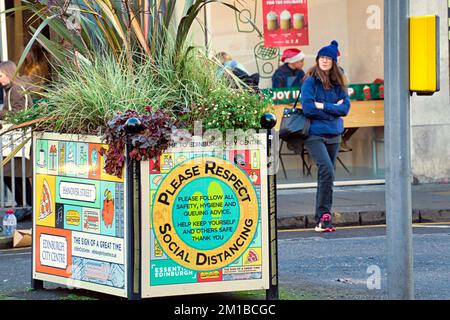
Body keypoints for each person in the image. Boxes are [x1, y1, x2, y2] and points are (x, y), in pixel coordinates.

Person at [300, 40, 351, 232]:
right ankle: (323, 215)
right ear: (317, 59)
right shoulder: (310, 81)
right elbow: (308, 108)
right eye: (322, 57)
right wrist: (332, 110)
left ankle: (324, 217)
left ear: (334, 61)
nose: (324, 60)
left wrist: (323, 106)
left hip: (334, 134)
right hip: (314, 134)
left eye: (328, 58)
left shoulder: (339, 83)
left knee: (327, 176)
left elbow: (345, 109)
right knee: (327, 171)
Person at [0, 61, 33, 219]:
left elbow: (20, 113)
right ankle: (26, 205)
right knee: (15, 174)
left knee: (15, 174)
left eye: (1, 75)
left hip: (19, 138)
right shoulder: (10, 89)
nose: (0, 79)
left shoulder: (16, 90)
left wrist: (3, 116)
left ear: (8, 74)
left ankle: (27, 206)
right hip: (15, 139)